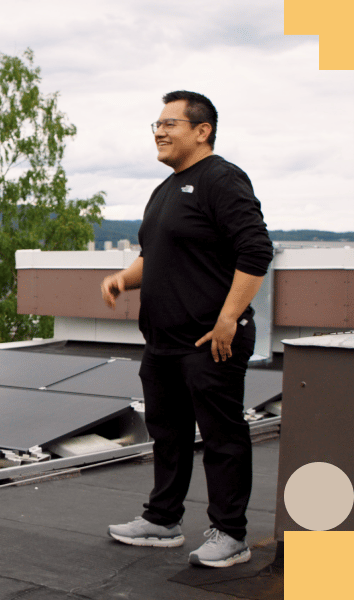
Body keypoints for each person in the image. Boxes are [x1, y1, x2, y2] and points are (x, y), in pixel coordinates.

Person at [101, 91, 273, 568]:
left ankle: (230, 535)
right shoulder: (165, 189)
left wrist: (228, 319)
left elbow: (256, 251)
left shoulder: (222, 179)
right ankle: (162, 520)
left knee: (222, 437)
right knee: (169, 433)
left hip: (209, 340)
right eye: (155, 124)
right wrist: (123, 279)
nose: (159, 131)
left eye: (170, 123)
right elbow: (153, 257)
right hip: (164, 343)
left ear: (202, 131)